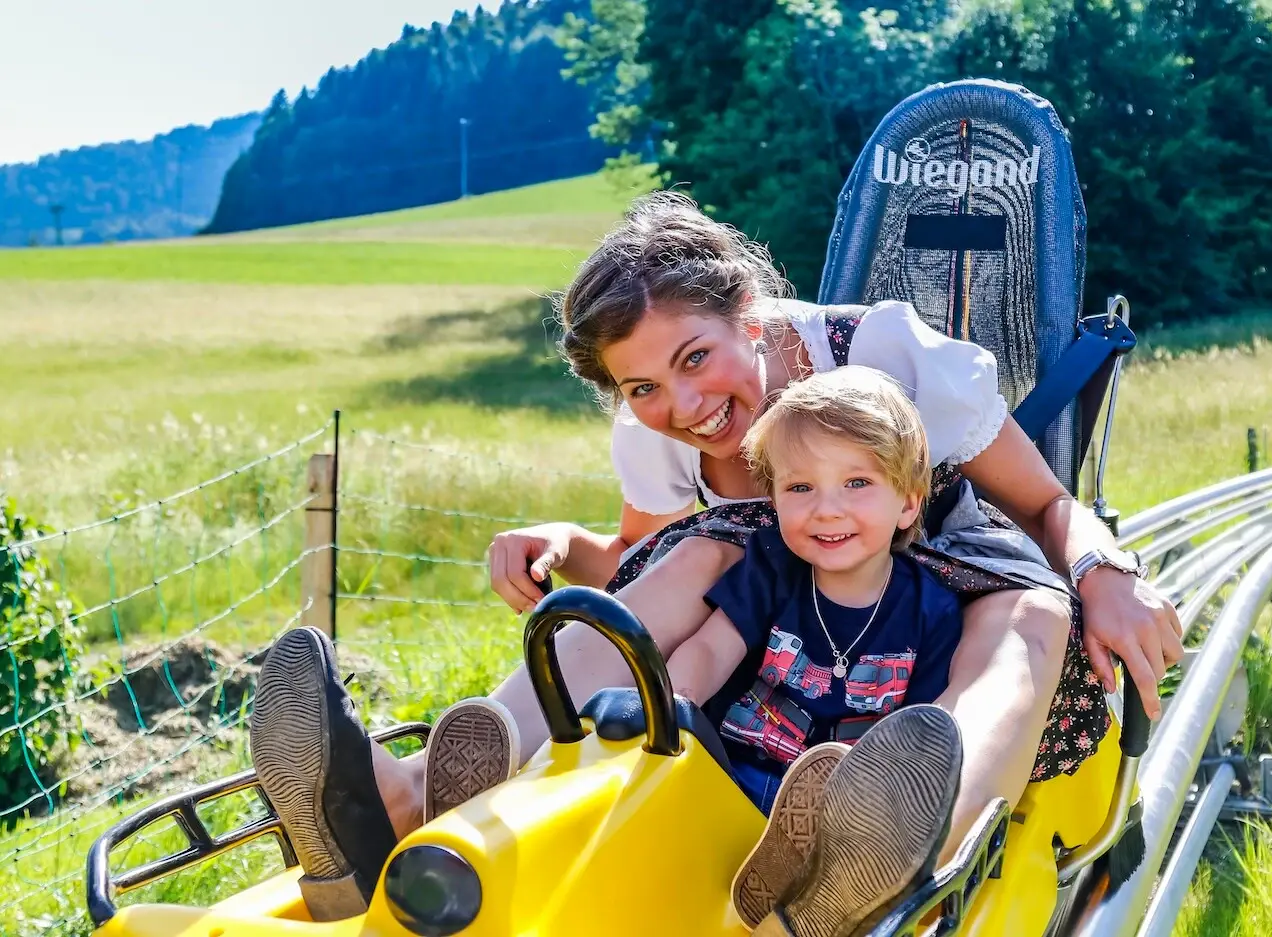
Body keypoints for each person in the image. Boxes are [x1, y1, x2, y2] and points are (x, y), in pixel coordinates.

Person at [248, 191, 1184, 925]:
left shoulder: (890, 351)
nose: (683, 405)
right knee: (681, 567)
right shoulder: (659, 440)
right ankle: (413, 799)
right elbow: (626, 559)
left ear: (750, 309)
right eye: (644, 386)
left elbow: (1047, 503)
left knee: (1028, 620)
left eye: (696, 358)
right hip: (784, 597)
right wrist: (562, 548)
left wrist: (1104, 575)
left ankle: (913, 838)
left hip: (938, 553)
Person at [667, 367, 965, 930]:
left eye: (857, 483)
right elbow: (711, 648)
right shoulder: (773, 567)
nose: (826, 509)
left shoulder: (931, 610)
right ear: (774, 497)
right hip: (736, 772)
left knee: (862, 823)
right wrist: (673, 703)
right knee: (679, 785)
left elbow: (920, 734)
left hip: (843, 811)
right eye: (800, 488)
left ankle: (817, 888)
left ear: (907, 503)